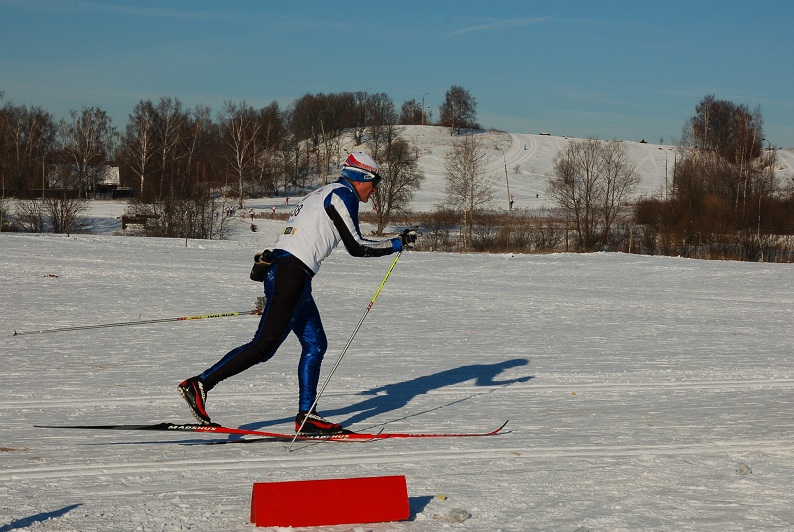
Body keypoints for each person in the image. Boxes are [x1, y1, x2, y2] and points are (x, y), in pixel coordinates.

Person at [178, 152, 417, 434]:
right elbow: (357, 246)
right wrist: (397, 243)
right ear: (362, 177)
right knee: (264, 346)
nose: (375, 189)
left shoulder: (322, 192)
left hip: (289, 273)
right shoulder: (343, 195)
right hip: (291, 275)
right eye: (374, 182)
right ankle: (200, 383)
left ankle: (307, 416)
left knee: (316, 344)